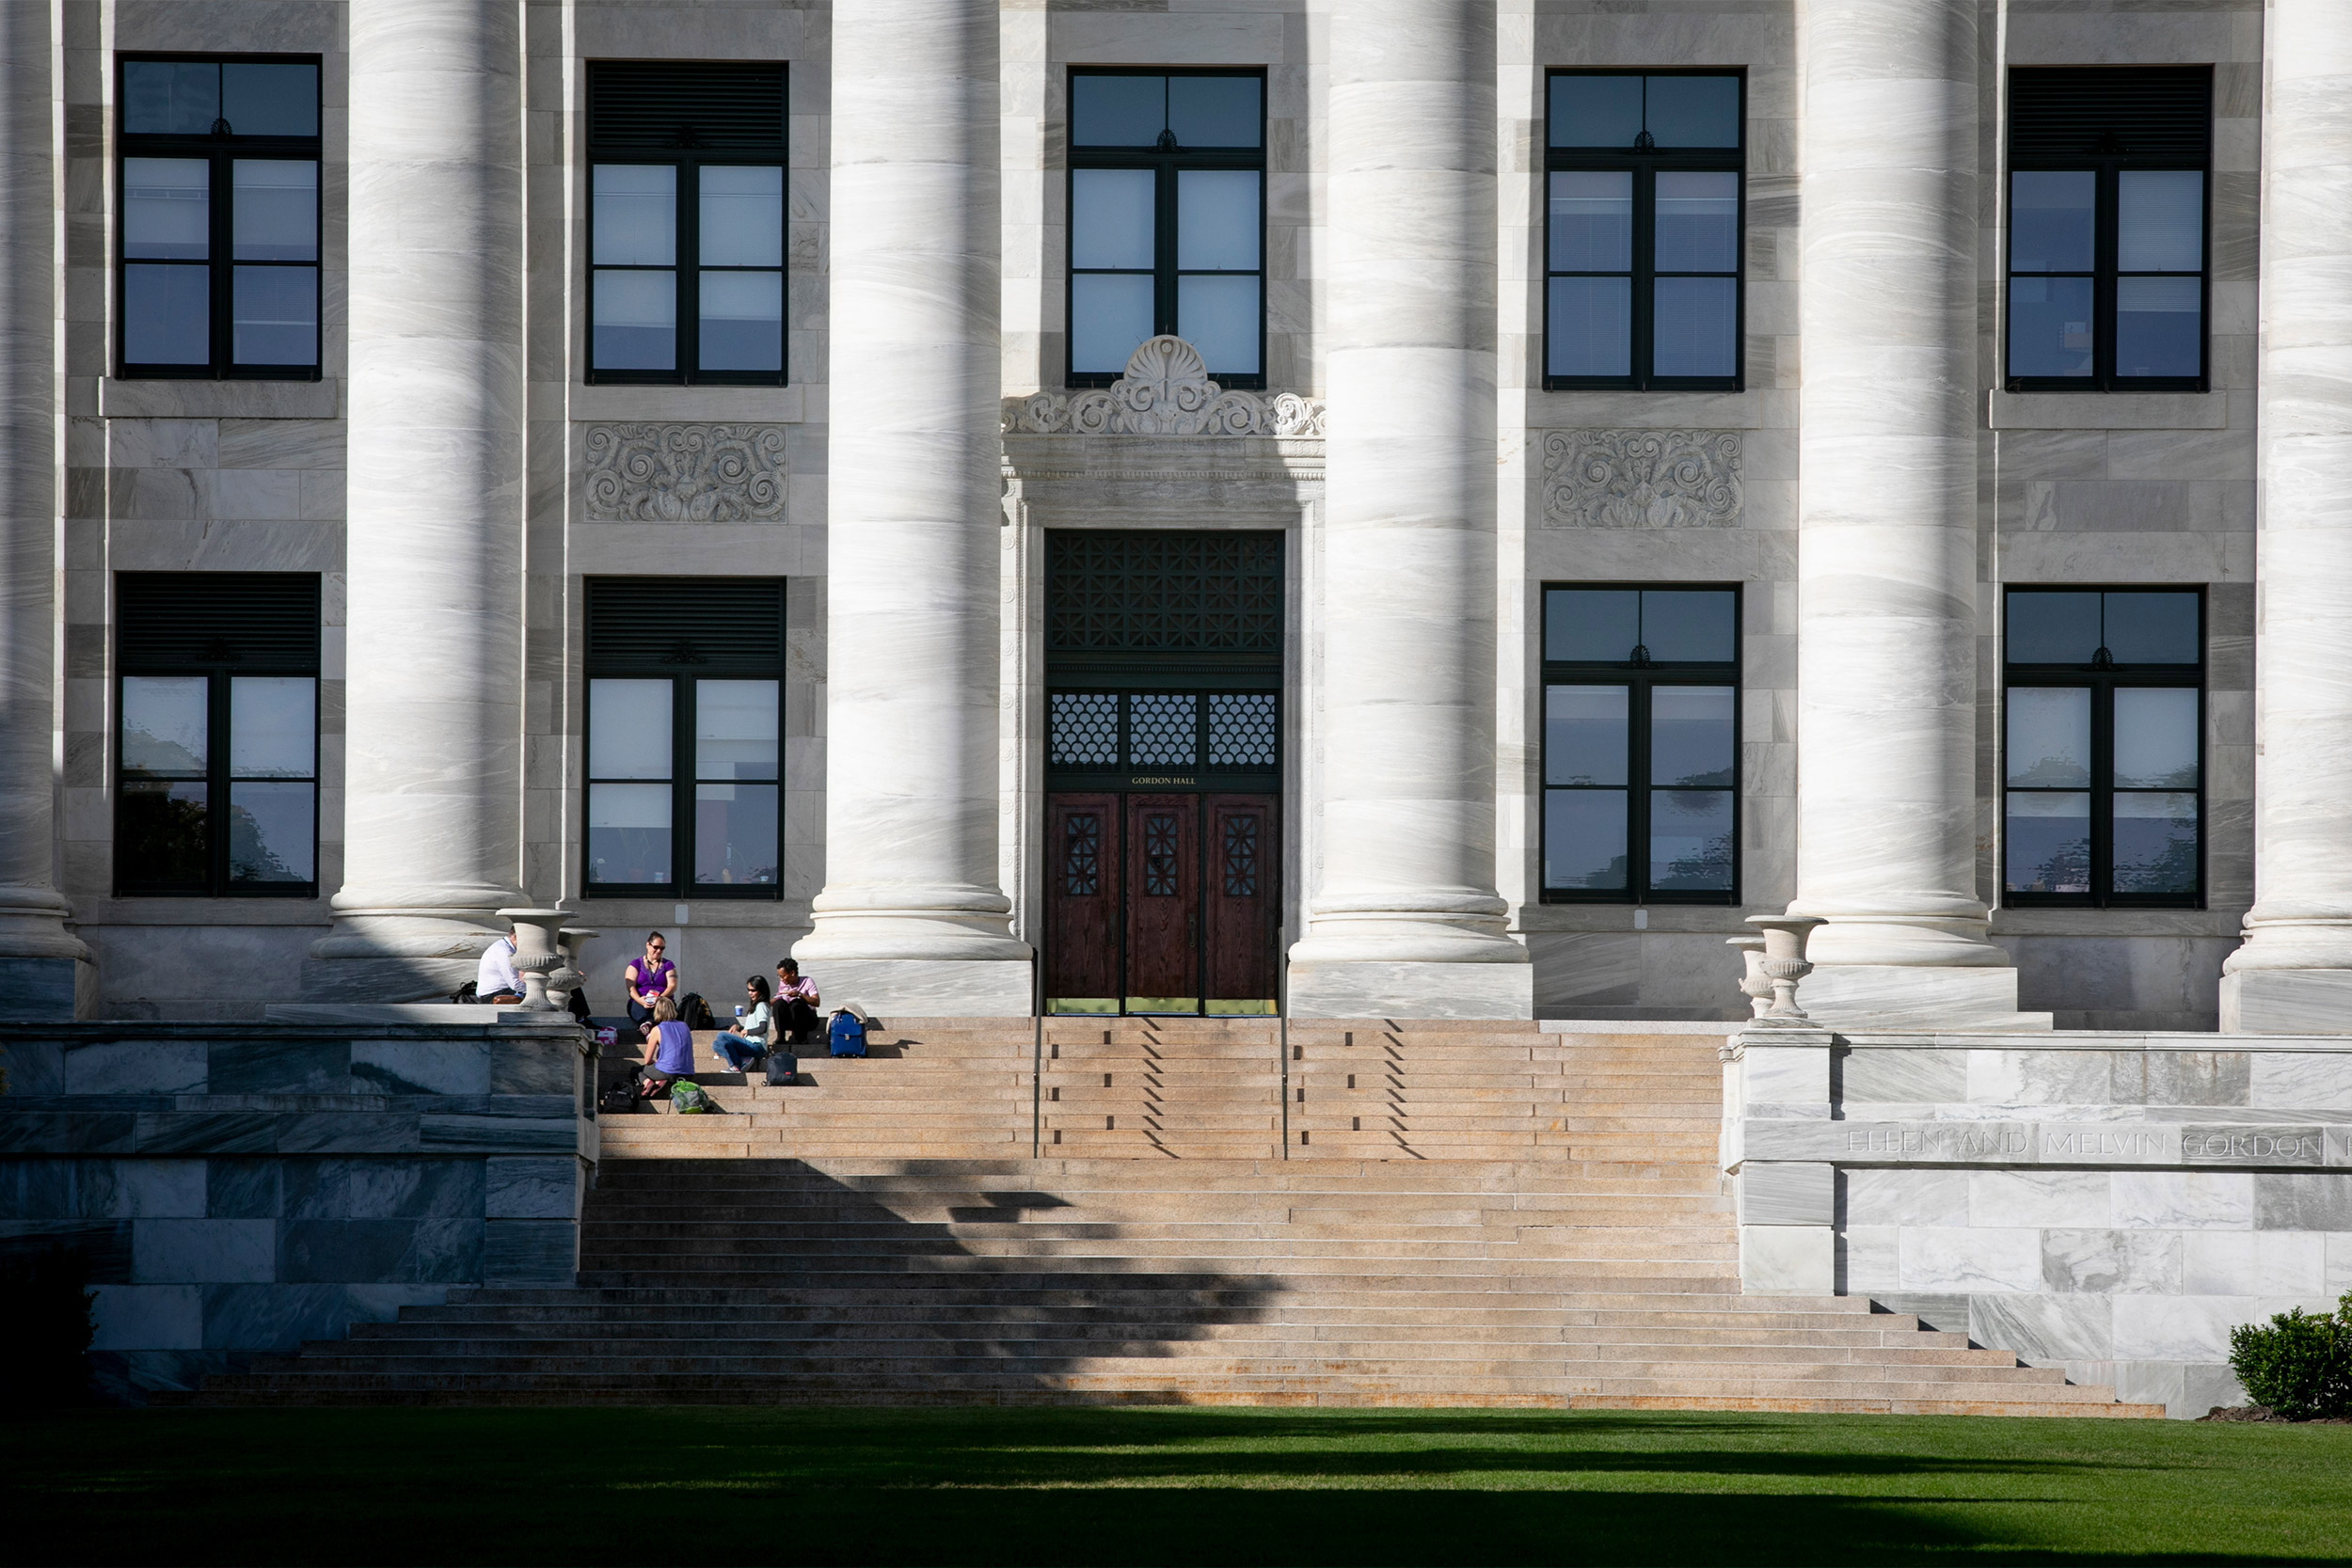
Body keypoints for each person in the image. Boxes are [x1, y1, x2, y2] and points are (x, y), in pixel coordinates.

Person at [710, 975, 771, 1073]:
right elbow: (751, 1028)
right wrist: (739, 1028)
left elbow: (762, 1028)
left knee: (721, 1035)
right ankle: (743, 1059)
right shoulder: (755, 1006)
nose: (750, 993)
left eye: (753, 990)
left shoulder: (761, 1006)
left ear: (761, 990)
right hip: (749, 1043)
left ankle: (735, 1064)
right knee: (715, 1045)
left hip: (757, 1046)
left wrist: (747, 1031)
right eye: (748, 990)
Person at [623, 931, 676, 1042]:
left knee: (663, 1009)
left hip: (661, 1001)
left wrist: (660, 998)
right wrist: (640, 1000)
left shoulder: (668, 965)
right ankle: (648, 1025)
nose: (659, 951)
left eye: (662, 948)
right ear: (648, 945)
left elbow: (672, 985)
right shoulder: (635, 964)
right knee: (637, 1007)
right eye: (656, 947)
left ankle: (648, 1026)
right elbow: (630, 987)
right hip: (641, 1000)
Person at [638, 995, 695, 1097]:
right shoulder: (685, 1026)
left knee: (637, 1070)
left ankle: (649, 1083)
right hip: (688, 1073)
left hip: (667, 1071)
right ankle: (660, 1081)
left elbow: (647, 1060)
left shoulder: (657, 1029)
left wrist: (654, 1063)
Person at [774, 958, 822, 1045]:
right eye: (779, 977)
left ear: (792, 973)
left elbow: (816, 1002)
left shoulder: (807, 981)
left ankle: (801, 1038)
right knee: (778, 1004)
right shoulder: (783, 984)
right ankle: (780, 1037)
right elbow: (778, 998)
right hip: (791, 1019)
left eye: (783, 976)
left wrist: (800, 995)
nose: (781, 979)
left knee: (796, 1004)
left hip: (806, 1019)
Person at [475, 924, 524, 1005]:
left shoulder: (503, 946)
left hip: (499, 991)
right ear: (515, 936)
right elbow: (514, 983)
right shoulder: (505, 951)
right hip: (493, 995)